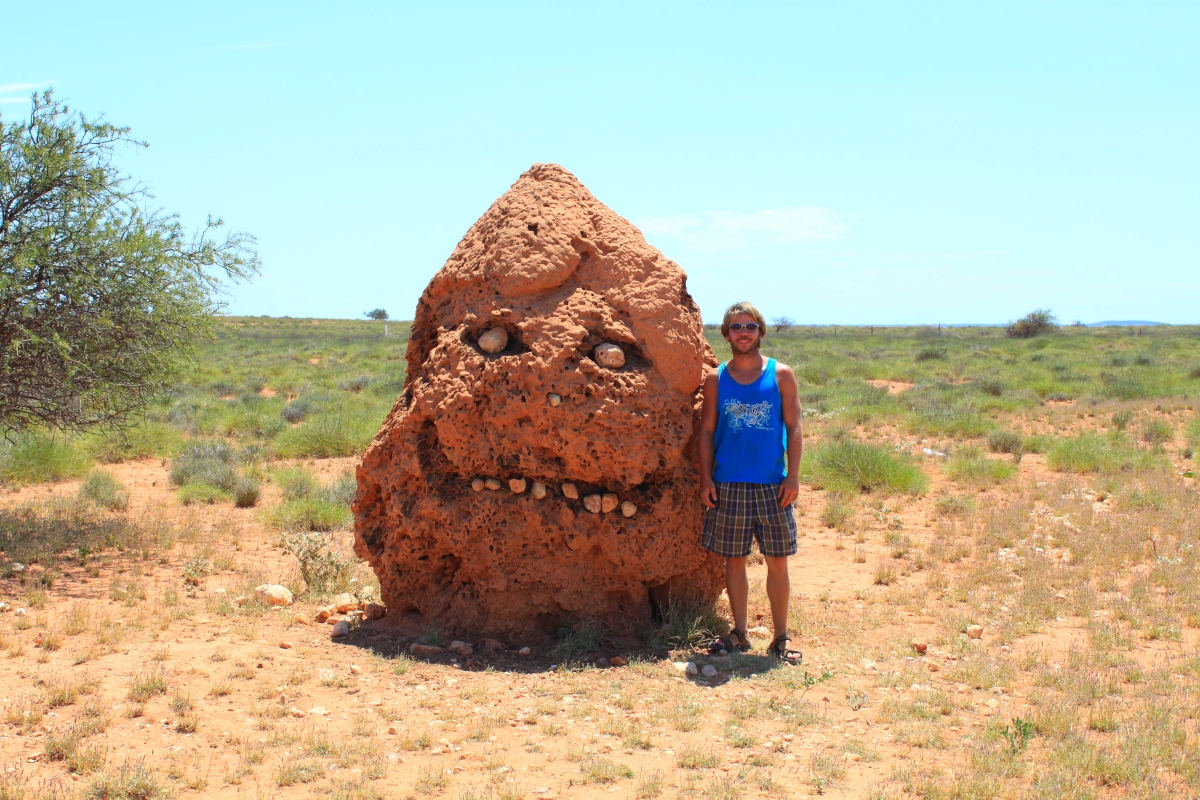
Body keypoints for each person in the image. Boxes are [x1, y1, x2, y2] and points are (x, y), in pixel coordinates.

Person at [699, 301, 803, 664]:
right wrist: (705, 478)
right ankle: (740, 633)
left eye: (751, 327)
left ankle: (780, 638)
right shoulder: (717, 378)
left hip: (773, 484)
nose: (744, 333)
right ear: (726, 333)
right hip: (729, 482)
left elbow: (794, 427)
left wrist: (793, 475)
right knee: (734, 560)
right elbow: (707, 430)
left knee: (778, 561)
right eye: (737, 327)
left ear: (760, 331)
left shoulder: (781, 374)